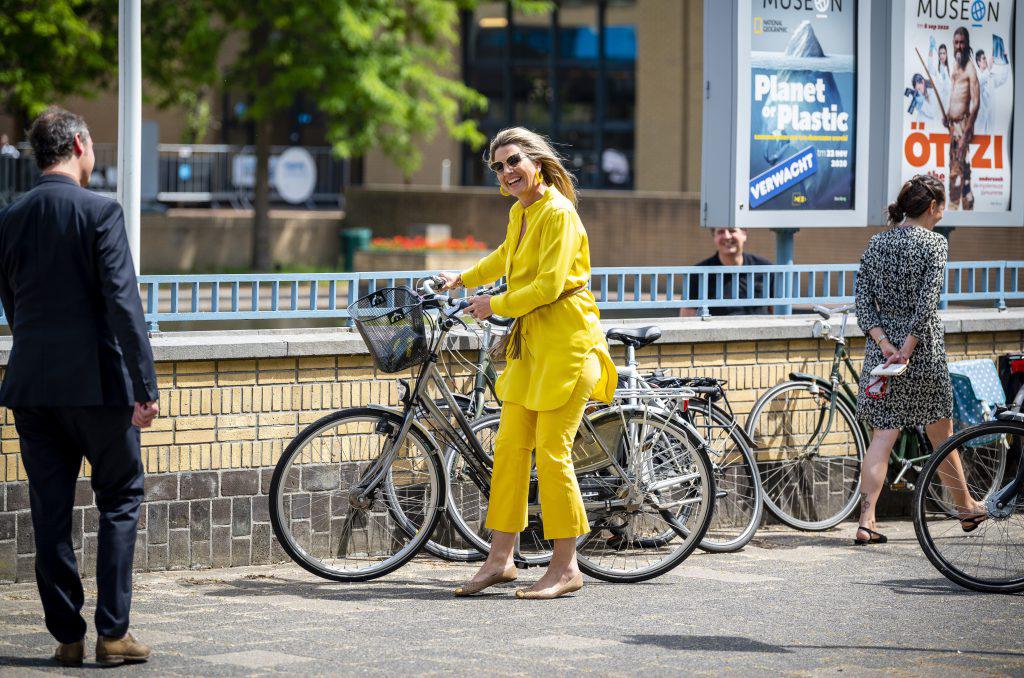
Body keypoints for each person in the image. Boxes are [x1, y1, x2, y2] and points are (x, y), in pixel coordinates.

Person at [0, 108, 159, 665]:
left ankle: (67, 636)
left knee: (50, 512)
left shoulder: (10, 216)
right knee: (120, 498)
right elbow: (123, 304)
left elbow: (12, 303)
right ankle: (113, 635)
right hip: (99, 387)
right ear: (77, 144)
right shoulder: (100, 211)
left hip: (33, 389)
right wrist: (145, 385)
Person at [439, 127, 615, 599]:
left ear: (537, 162)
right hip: (533, 347)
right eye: (498, 166)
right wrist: (461, 278)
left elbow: (549, 286)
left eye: (514, 160)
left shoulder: (559, 213)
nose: (506, 171)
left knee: (553, 453)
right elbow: (505, 257)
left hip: (568, 346)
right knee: (510, 450)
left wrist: (492, 305)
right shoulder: (521, 211)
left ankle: (566, 567)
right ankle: (500, 560)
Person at [853, 174, 986, 545]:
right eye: (941, 207)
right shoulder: (935, 244)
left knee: (882, 435)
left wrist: (884, 343)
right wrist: (908, 348)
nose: (942, 213)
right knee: (940, 432)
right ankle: (965, 508)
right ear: (931, 207)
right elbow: (927, 304)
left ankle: (866, 521)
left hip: (881, 353)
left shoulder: (877, 242)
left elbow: (862, 300)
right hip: (922, 350)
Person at [680, 227, 773, 317]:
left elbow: (777, 313)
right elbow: (687, 319)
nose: (727, 236)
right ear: (714, 236)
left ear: (744, 233)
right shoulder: (697, 275)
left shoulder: (765, 269)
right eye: (721, 232)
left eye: (732, 230)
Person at [944, 27, 980, 211]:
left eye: (962, 43)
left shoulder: (970, 69)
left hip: (962, 128)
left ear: (967, 44)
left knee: (956, 171)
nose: (959, 46)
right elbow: (954, 95)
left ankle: (953, 207)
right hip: (953, 126)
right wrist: (947, 115)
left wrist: (966, 133)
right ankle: (968, 202)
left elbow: (976, 103)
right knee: (961, 169)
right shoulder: (955, 65)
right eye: (956, 42)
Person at [974, 49, 1010, 134]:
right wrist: (989, 69)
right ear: (978, 62)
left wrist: (1005, 61)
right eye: (983, 58)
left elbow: (1003, 78)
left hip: (990, 120)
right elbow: (980, 83)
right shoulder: (976, 78)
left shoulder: (991, 77)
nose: (986, 60)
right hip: (979, 122)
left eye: (985, 58)